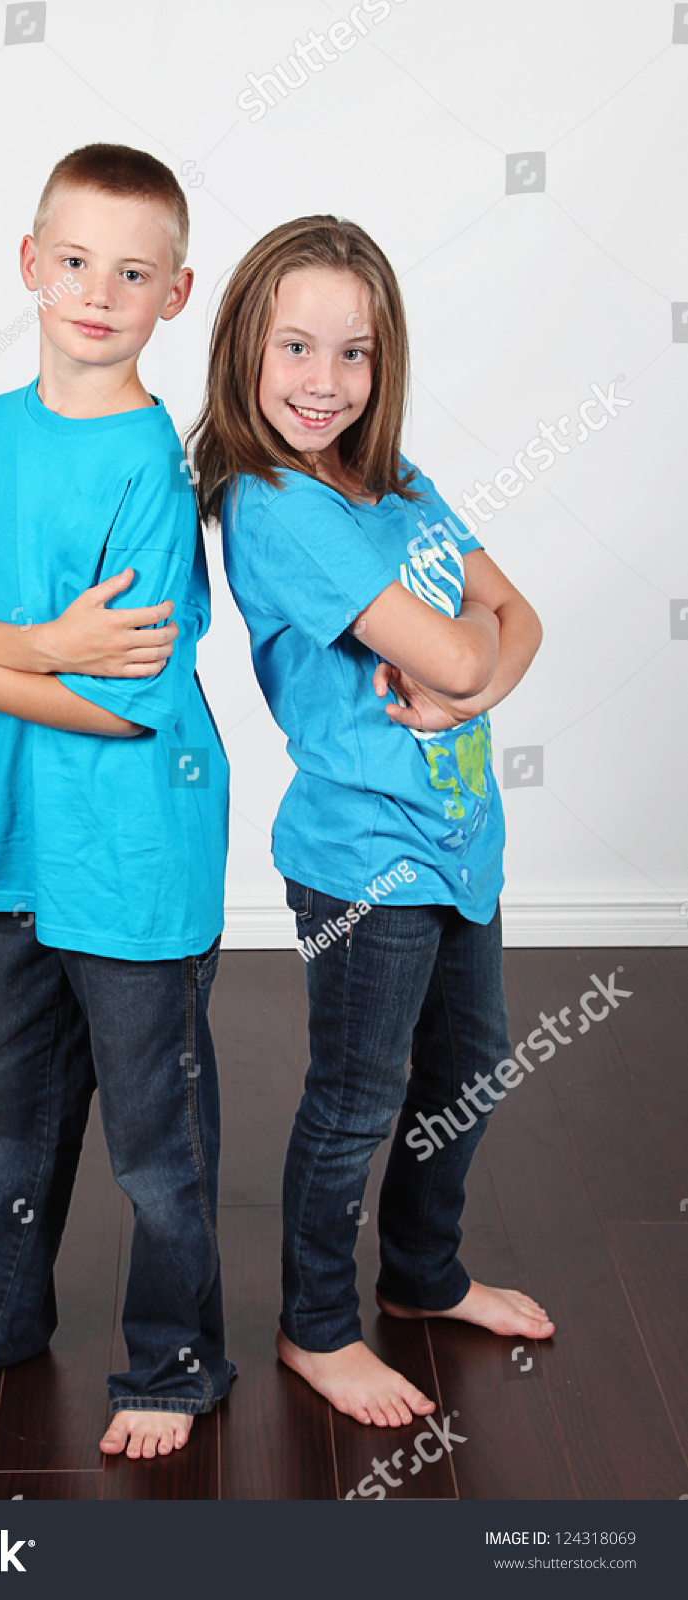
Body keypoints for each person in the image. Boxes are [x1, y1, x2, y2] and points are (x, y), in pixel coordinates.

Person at [0, 144, 234, 1462]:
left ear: (175, 294)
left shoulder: (153, 465)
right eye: (75, 261)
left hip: (134, 850)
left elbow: (125, 701)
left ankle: (177, 1362)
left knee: (154, 1140)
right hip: (20, 836)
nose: (98, 289)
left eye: (132, 272)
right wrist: (51, 641)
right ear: (30, 265)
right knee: (0, 1114)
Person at [187, 214, 553, 1429]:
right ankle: (316, 1325)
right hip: (363, 855)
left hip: (462, 839)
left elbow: (517, 618)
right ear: (246, 345)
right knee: (356, 1094)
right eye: (295, 347)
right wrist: (467, 661)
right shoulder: (275, 504)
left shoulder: (396, 482)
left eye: (352, 353)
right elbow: (464, 632)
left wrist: (466, 683)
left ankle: (422, 1278)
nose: (323, 381)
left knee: (468, 1068)